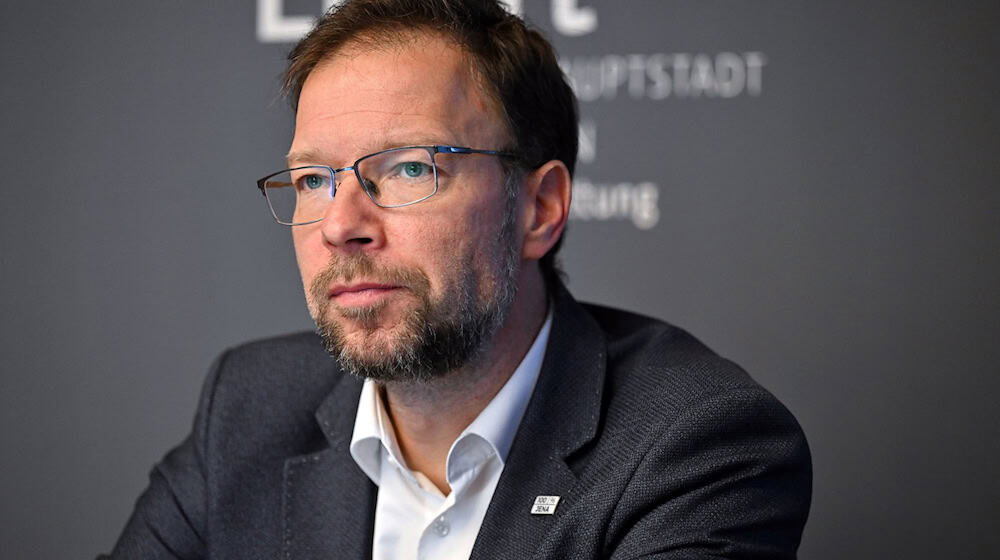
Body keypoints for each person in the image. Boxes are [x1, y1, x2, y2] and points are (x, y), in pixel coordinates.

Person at [101, 0, 811, 558]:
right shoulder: (247, 410)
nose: (339, 225)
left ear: (539, 208)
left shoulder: (694, 444)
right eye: (314, 179)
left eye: (410, 168)